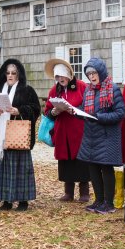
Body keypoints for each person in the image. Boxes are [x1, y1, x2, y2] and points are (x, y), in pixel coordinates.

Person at [0, 58, 40, 211]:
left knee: (20, 168)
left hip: (18, 135)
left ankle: (23, 201)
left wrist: (19, 110)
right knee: (3, 168)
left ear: (19, 74)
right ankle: (6, 200)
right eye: (7, 73)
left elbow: (35, 109)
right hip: (0, 136)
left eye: (13, 73)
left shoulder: (27, 90)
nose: (10, 76)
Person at [76, 57, 125, 214]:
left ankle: (108, 203)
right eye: (88, 73)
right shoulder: (88, 90)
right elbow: (85, 109)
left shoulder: (113, 89)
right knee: (93, 167)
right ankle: (98, 200)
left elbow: (120, 113)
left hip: (107, 135)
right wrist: (75, 111)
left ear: (101, 72)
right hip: (91, 136)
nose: (91, 76)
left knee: (106, 167)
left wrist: (100, 117)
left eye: (94, 72)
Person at [43, 58, 90, 203]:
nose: (60, 79)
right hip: (62, 130)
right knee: (65, 160)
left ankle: (84, 192)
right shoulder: (54, 90)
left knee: (81, 159)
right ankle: (68, 192)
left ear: (69, 75)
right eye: (57, 77)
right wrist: (54, 112)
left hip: (79, 129)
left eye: (62, 76)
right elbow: (47, 112)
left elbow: (89, 105)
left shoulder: (82, 86)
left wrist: (75, 109)